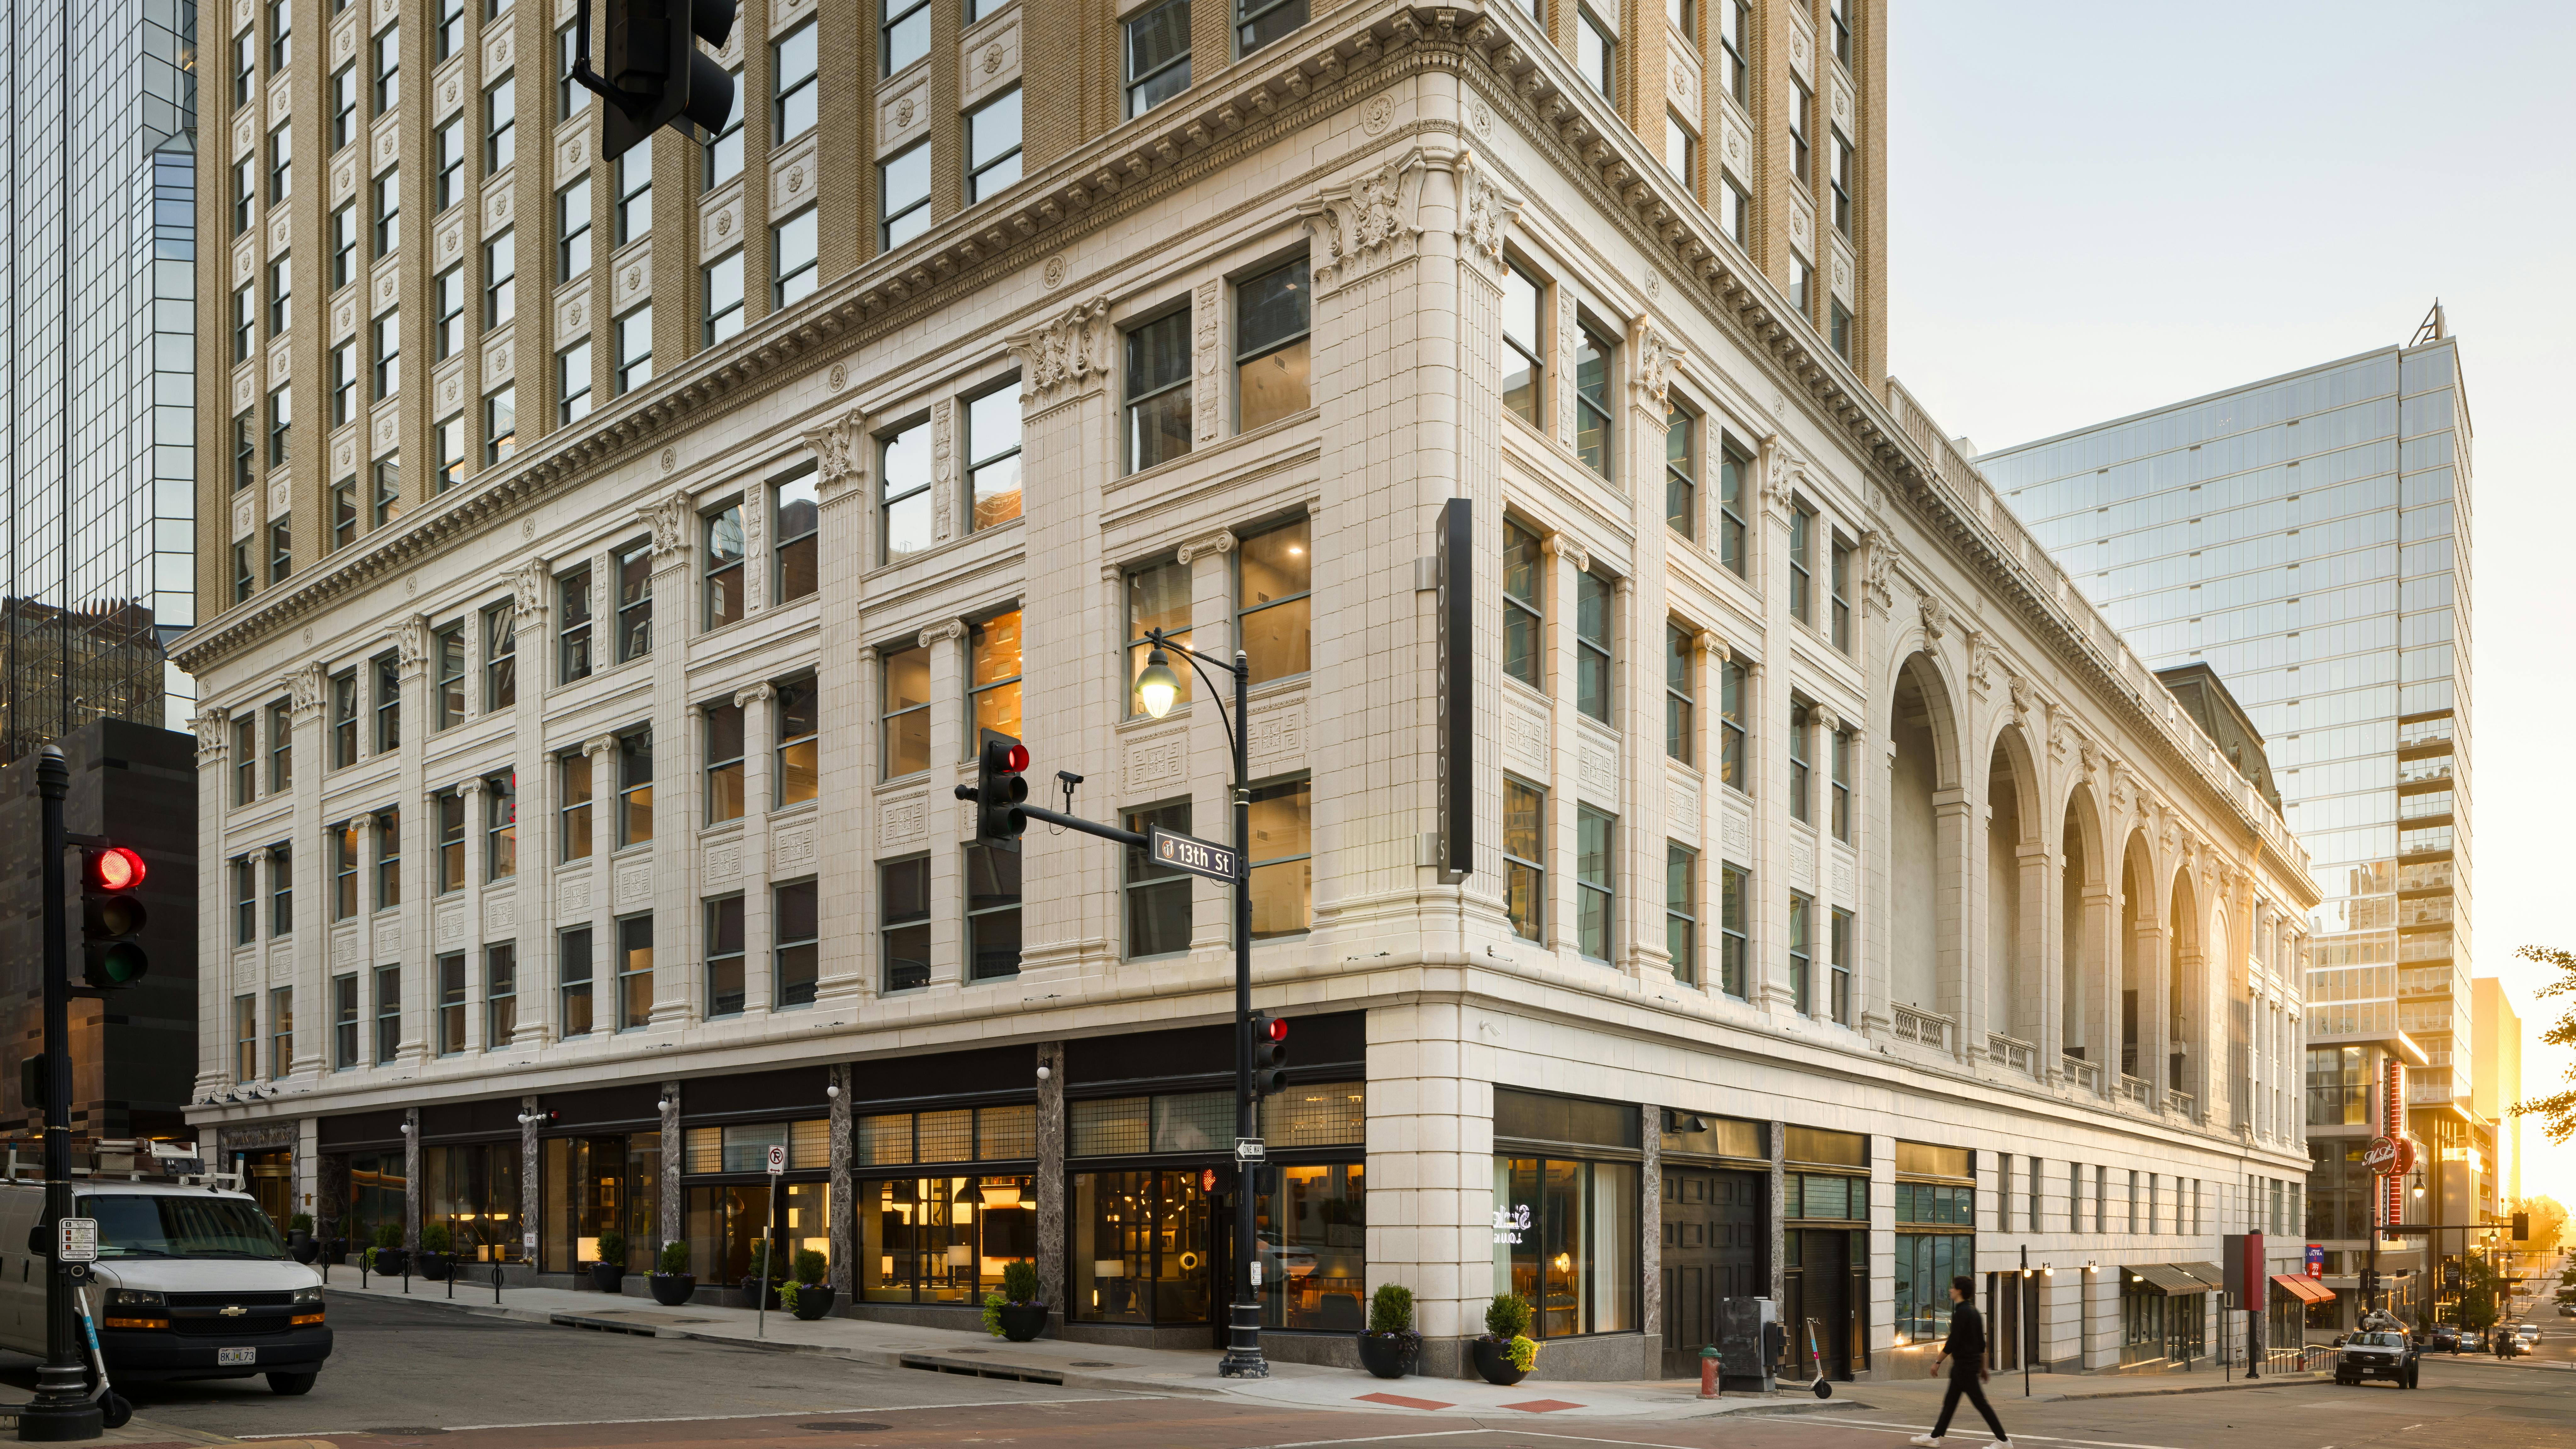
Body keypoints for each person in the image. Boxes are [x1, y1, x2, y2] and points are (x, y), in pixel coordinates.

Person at [1911, 1275, 2009, 1448]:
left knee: (1981, 1405)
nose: (1950, 1290)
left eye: (1953, 1287)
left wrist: (1937, 1362)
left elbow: (1953, 1342)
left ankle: (2003, 1441)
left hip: (1965, 1368)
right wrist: (1983, 1368)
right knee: (1950, 1403)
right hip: (1967, 1368)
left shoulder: (1961, 1313)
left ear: (1960, 1291)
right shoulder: (1975, 1312)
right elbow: (1981, 1344)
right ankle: (1934, 1436)